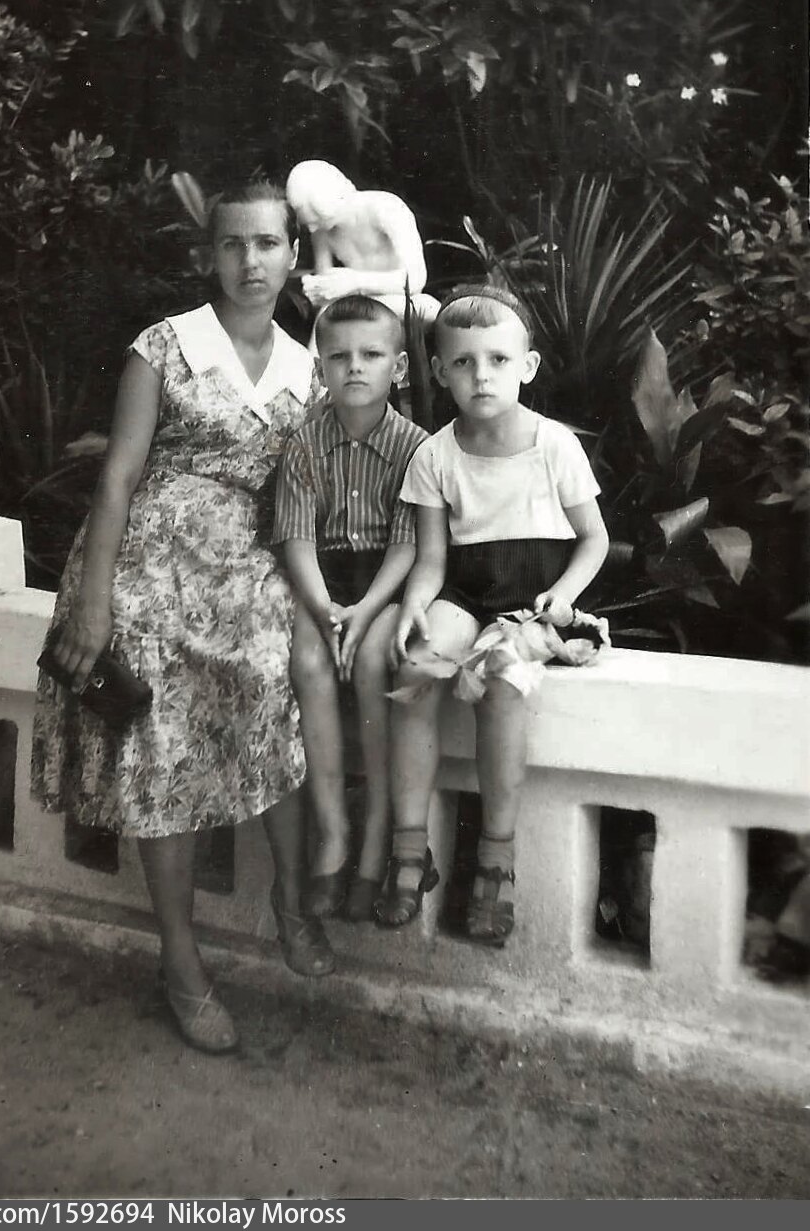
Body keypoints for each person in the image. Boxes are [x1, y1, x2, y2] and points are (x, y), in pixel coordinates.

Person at [30, 180, 335, 1058]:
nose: (250, 261)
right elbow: (118, 476)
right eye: (233, 244)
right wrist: (94, 602)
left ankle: (289, 899)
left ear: (292, 256)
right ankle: (181, 961)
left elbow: (309, 496)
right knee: (159, 735)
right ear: (210, 255)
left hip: (245, 564)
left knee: (275, 688)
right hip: (144, 563)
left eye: (267, 243)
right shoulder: (165, 346)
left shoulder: (310, 369)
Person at [376, 286, 610, 944]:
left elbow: (594, 539)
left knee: (502, 683)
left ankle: (496, 861)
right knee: (415, 668)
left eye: (498, 360)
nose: (482, 376)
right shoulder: (435, 455)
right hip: (466, 592)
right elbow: (431, 560)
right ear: (440, 370)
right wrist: (413, 609)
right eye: (464, 362)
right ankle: (409, 849)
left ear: (526, 367)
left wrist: (563, 594)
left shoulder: (553, 445)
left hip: (531, 603)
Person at [273, 295, 428, 922]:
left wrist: (362, 612)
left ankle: (375, 842)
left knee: (370, 666)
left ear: (400, 366)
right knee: (309, 664)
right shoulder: (305, 444)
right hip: (323, 580)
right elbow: (297, 541)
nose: (355, 367)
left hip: (386, 584)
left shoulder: (416, 447)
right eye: (338, 357)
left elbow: (409, 545)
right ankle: (335, 833)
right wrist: (326, 610)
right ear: (320, 369)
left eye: (371, 354)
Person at [285, 160, 441, 330]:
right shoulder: (322, 231)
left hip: (397, 301)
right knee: (326, 314)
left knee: (428, 307)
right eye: (308, 224)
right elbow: (326, 291)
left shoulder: (384, 208)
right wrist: (316, 289)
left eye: (316, 220)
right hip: (358, 306)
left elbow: (416, 279)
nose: (312, 229)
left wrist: (355, 282)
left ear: (325, 202)